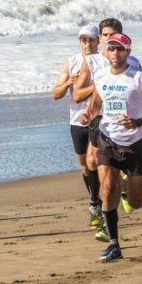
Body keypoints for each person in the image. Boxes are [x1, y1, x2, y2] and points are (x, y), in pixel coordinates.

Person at [83, 33, 142, 262]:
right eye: (112, 49)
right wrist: (88, 115)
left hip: (135, 143)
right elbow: (97, 105)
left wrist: (140, 120)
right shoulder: (100, 76)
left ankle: (139, 191)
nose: (116, 53)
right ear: (106, 52)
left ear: (128, 52)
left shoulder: (139, 78)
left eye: (120, 49)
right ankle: (114, 244)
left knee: (136, 203)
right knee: (107, 189)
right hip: (107, 139)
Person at [51, 24, 102, 228]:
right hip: (75, 120)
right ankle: (95, 199)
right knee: (84, 164)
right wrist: (68, 84)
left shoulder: (103, 61)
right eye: (83, 40)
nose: (87, 44)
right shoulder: (71, 62)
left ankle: (97, 202)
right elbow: (55, 94)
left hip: (98, 118)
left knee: (94, 161)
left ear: (98, 40)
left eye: (91, 39)